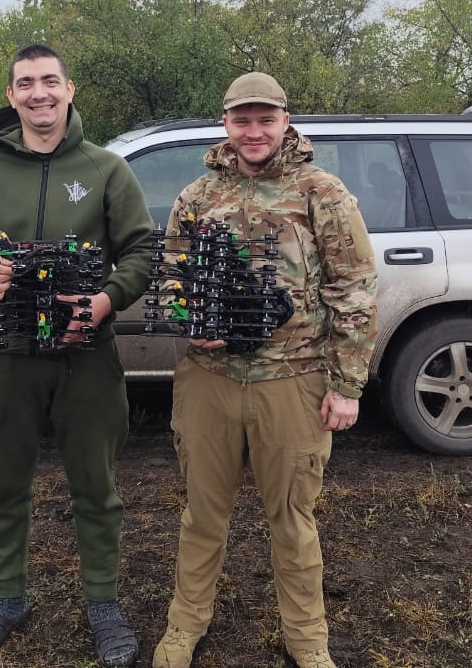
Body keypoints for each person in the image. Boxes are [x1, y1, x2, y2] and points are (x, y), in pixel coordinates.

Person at [0, 44, 155, 667]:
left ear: (70, 88)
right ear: (11, 96)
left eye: (50, 81)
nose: (39, 94)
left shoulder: (107, 169)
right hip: (3, 356)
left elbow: (139, 252)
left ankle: (103, 604)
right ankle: (8, 598)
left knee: (97, 485)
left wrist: (107, 301)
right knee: (5, 483)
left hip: (87, 357)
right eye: (26, 83)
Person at [151, 72, 378, 668]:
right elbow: (172, 277)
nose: (254, 132)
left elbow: (353, 289)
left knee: (293, 520)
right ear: (225, 123)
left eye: (265, 120)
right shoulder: (197, 197)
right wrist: (185, 317)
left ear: (284, 122)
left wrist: (347, 385)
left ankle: (308, 641)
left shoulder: (321, 192)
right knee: (202, 515)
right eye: (242, 120)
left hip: (293, 380)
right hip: (209, 380)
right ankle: (184, 627)